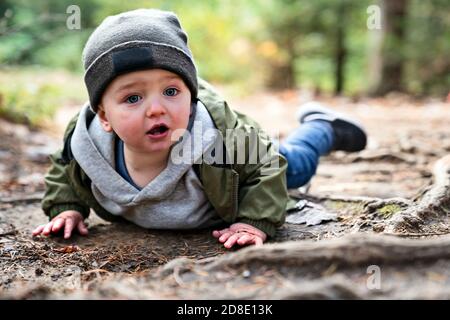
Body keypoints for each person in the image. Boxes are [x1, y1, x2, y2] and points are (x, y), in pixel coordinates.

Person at [32, 9, 366, 249]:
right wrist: (68, 208)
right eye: (133, 97)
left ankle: (321, 128)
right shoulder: (85, 142)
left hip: (246, 165)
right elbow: (65, 167)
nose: (157, 108)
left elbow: (265, 167)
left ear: (190, 97)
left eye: (172, 91)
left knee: (294, 165)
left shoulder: (219, 138)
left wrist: (254, 220)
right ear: (104, 116)